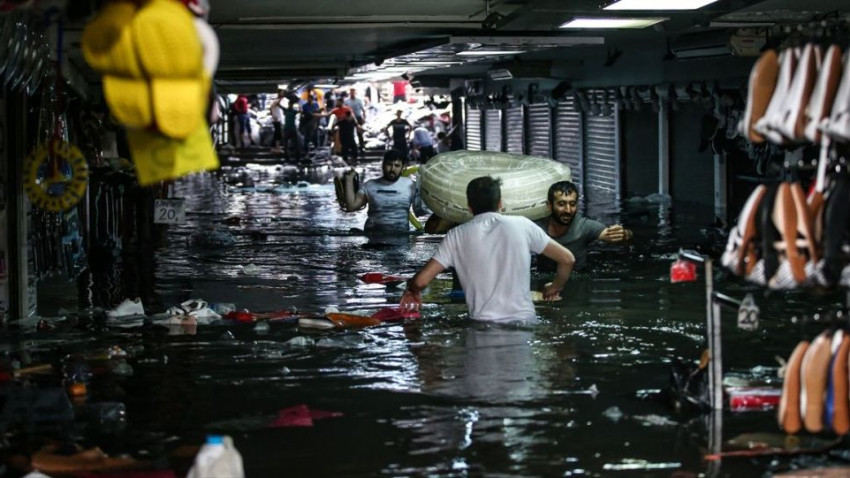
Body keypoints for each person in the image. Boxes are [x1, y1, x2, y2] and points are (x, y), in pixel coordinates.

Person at [401, 176, 575, 323]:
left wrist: (411, 291)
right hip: (524, 322)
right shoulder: (523, 225)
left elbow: (421, 281)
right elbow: (567, 259)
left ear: (469, 206)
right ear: (500, 203)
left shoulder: (456, 235)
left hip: (483, 326)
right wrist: (554, 287)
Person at [535, 180, 633, 272]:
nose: (568, 210)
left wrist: (624, 234)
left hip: (577, 277)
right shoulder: (537, 229)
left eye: (572, 204)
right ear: (549, 206)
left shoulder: (583, 227)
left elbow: (613, 235)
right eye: (561, 204)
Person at [343, 150, 415, 234]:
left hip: (401, 237)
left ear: (403, 167)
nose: (392, 169)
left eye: (397, 165)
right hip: (374, 238)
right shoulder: (370, 186)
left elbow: (424, 209)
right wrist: (348, 180)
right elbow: (351, 206)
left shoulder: (411, 185)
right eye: (389, 164)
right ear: (383, 165)